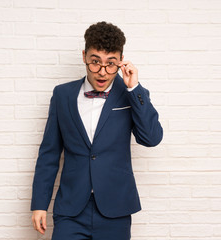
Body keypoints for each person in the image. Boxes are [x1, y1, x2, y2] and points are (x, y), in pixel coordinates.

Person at [30, 21, 163, 240]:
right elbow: (49, 154)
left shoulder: (131, 94)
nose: (102, 72)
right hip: (71, 209)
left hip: (115, 209)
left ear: (121, 61)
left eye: (110, 64)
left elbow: (151, 138)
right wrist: (39, 204)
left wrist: (133, 89)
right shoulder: (63, 95)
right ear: (84, 56)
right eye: (95, 62)